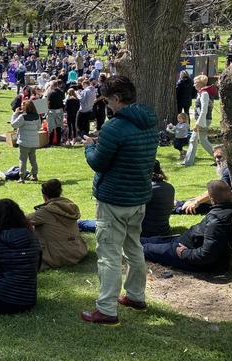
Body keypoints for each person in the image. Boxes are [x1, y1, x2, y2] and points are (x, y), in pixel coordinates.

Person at [81, 75, 158, 325]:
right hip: (138, 197)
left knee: (109, 254)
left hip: (114, 199)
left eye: (107, 101)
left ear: (116, 98)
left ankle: (106, 309)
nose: (107, 107)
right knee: (134, 247)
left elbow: (98, 162)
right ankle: (136, 296)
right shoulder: (149, 121)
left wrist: (90, 147)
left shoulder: (114, 128)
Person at [142, 180, 232, 272]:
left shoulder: (217, 220)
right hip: (183, 241)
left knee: (145, 248)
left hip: (186, 253)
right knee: (145, 241)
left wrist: (184, 253)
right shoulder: (223, 212)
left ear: (212, 199)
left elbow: (206, 255)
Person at [27, 179, 87, 270]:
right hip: (77, 251)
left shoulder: (45, 211)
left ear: (44, 195)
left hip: (58, 256)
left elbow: (21, 220)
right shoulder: (70, 206)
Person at [176, 144, 231, 215]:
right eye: (215, 158)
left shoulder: (228, 171)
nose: (217, 160)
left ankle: (175, 208)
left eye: (219, 157)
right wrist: (195, 200)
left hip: (229, 203)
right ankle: (178, 203)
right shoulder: (228, 170)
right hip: (225, 200)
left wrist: (196, 201)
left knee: (194, 206)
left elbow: (217, 191)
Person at [182, 75, 215, 167]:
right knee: (197, 140)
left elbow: (204, 110)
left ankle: (188, 162)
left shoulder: (204, 93)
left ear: (200, 84)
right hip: (202, 120)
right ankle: (188, 161)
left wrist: (198, 123)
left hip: (203, 121)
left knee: (198, 140)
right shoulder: (201, 93)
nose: (194, 85)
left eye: (195, 83)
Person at [10, 100, 40, 183]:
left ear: (25, 107)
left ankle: (21, 177)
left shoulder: (22, 117)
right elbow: (39, 127)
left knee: (23, 160)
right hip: (34, 142)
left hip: (24, 142)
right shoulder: (37, 116)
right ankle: (34, 175)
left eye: (22, 106)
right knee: (33, 159)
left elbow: (13, 124)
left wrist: (15, 113)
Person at [46, 80, 65, 145]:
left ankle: (50, 142)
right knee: (58, 127)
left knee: (51, 127)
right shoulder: (61, 92)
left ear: (52, 85)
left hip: (52, 111)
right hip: (59, 111)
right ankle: (58, 142)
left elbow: (48, 103)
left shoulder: (50, 93)